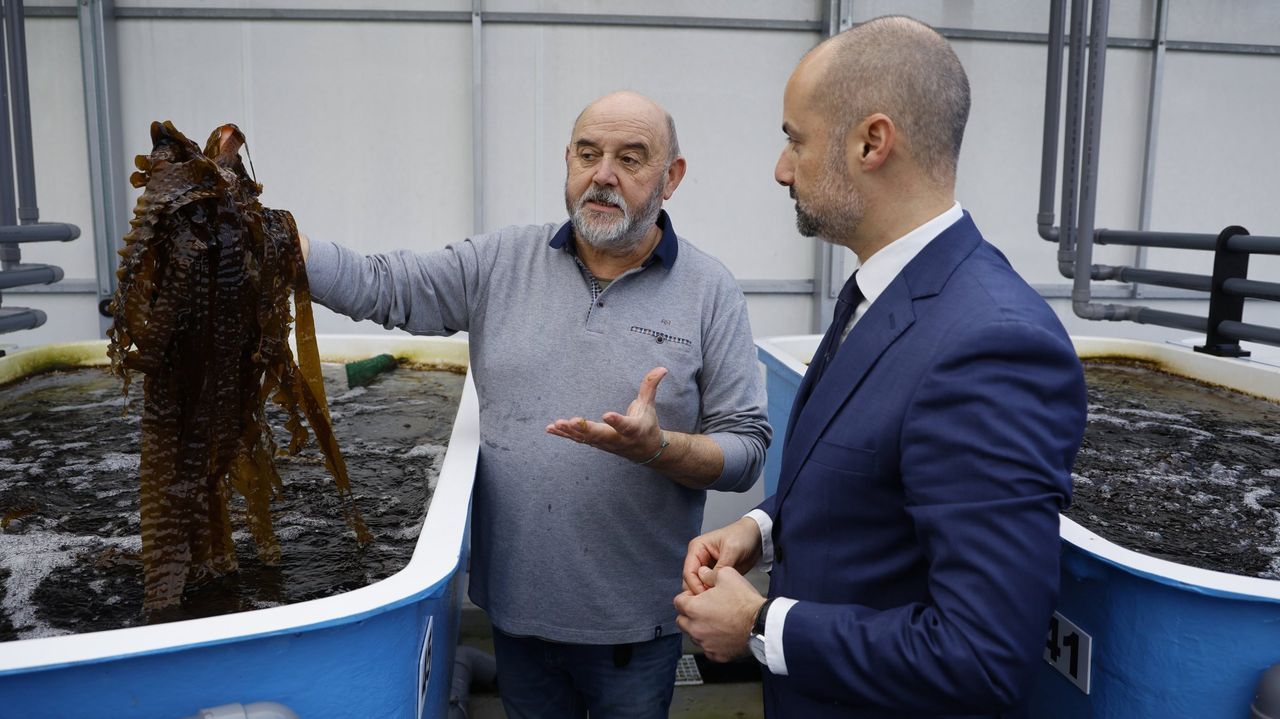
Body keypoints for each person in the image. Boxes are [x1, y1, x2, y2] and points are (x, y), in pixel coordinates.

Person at [299, 90, 770, 718]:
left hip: (636, 627)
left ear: (671, 177)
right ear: (567, 161)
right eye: (588, 154)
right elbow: (383, 285)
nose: (603, 175)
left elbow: (746, 450)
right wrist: (287, 246)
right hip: (517, 616)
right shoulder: (500, 262)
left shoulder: (710, 291)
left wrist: (657, 447)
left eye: (630, 159)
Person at [674, 16, 1087, 719]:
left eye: (795, 140)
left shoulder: (992, 346)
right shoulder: (883, 289)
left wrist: (760, 624)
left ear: (872, 142)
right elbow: (868, 478)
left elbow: (982, 654)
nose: (781, 169)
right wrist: (764, 529)